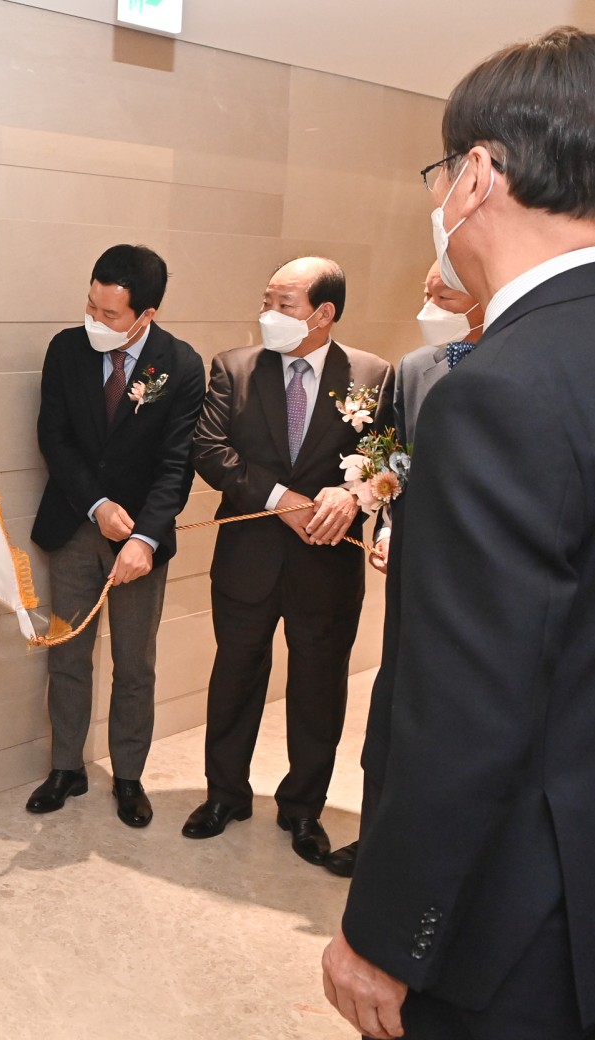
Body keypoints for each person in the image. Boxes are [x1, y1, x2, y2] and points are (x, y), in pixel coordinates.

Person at [323, 28, 595, 1039]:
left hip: (519, 924)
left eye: (442, 172)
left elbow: (467, 707)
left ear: (480, 176)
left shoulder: (499, 391)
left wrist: (384, 931)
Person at [183, 256, 392, 868]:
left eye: (283, 304)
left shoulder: (373, 375)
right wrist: (281, 500)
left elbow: (388, 458)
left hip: (326, 562)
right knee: (235, 675)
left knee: (319, 686)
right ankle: (224, 794)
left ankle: (303, 807)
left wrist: (352, 495)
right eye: (266, 301)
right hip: (248, 557)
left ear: (323, 314)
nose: (268, 314)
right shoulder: (234, 367)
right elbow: (209, 448)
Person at [27, 244, 205, 825]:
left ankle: (128, 775)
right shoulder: (66, 349)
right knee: (67, 654)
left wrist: (145, 539)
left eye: (109, 314)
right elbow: (54, 438)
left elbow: (177, 465)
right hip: (75, 525)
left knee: (135, 663)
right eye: (90, 306)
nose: (95, 321)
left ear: (145, 314)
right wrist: (97, 505)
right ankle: (66, 767)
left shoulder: (181, 365)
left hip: (139, 541)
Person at [324, 261, 484, 879]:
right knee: (393, 706)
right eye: (427, 293)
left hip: (479, 578)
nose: (430, 307)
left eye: (445, 297)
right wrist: (387, 527)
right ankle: (376, 838)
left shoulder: (521, 365)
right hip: (414, 575)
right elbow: (393, 462)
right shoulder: (416, 368)